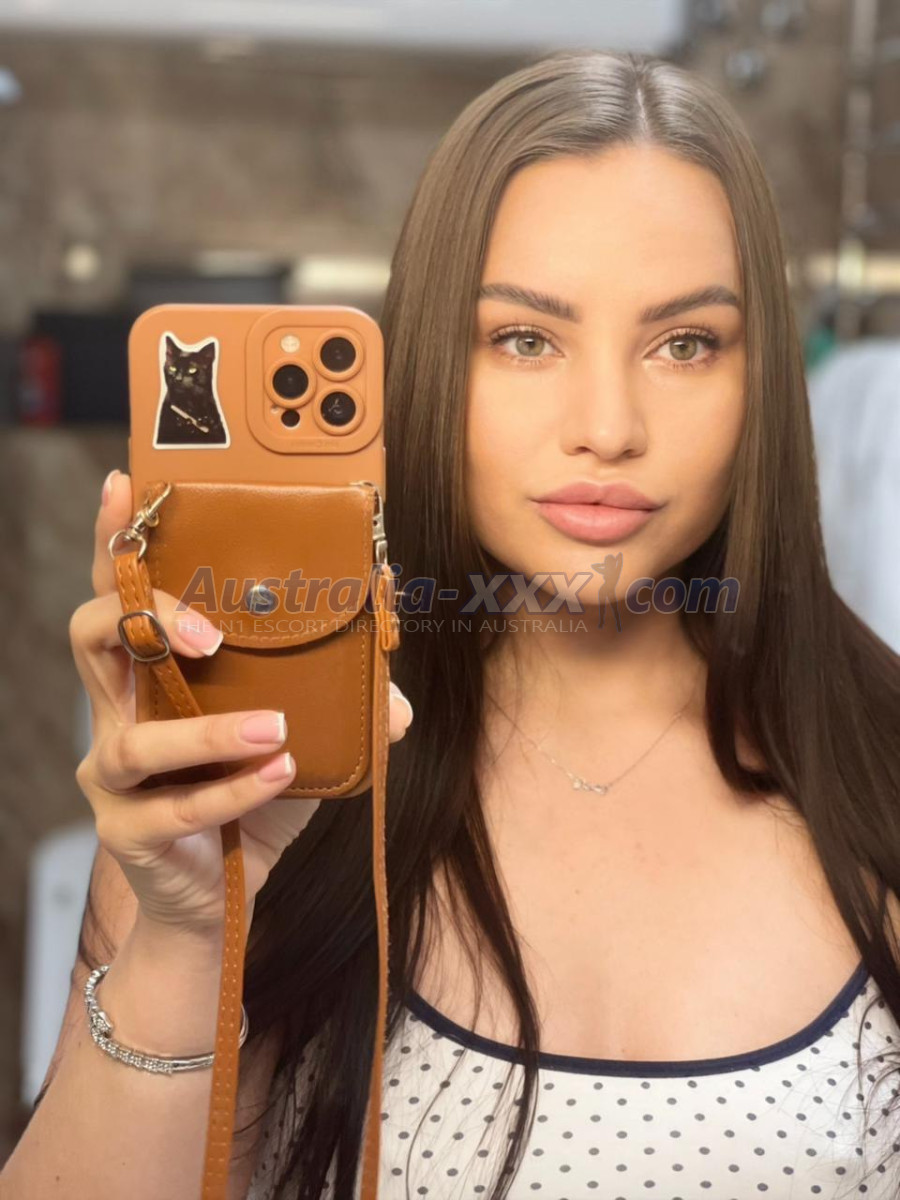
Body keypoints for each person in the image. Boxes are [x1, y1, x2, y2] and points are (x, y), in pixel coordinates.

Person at [5, 47, 900, 1200]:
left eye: (685, 344)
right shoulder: (277, 767)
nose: (608, 426)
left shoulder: (878, 767)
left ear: (761, 376)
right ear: (430, 359)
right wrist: (183, 939)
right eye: (525, 339)